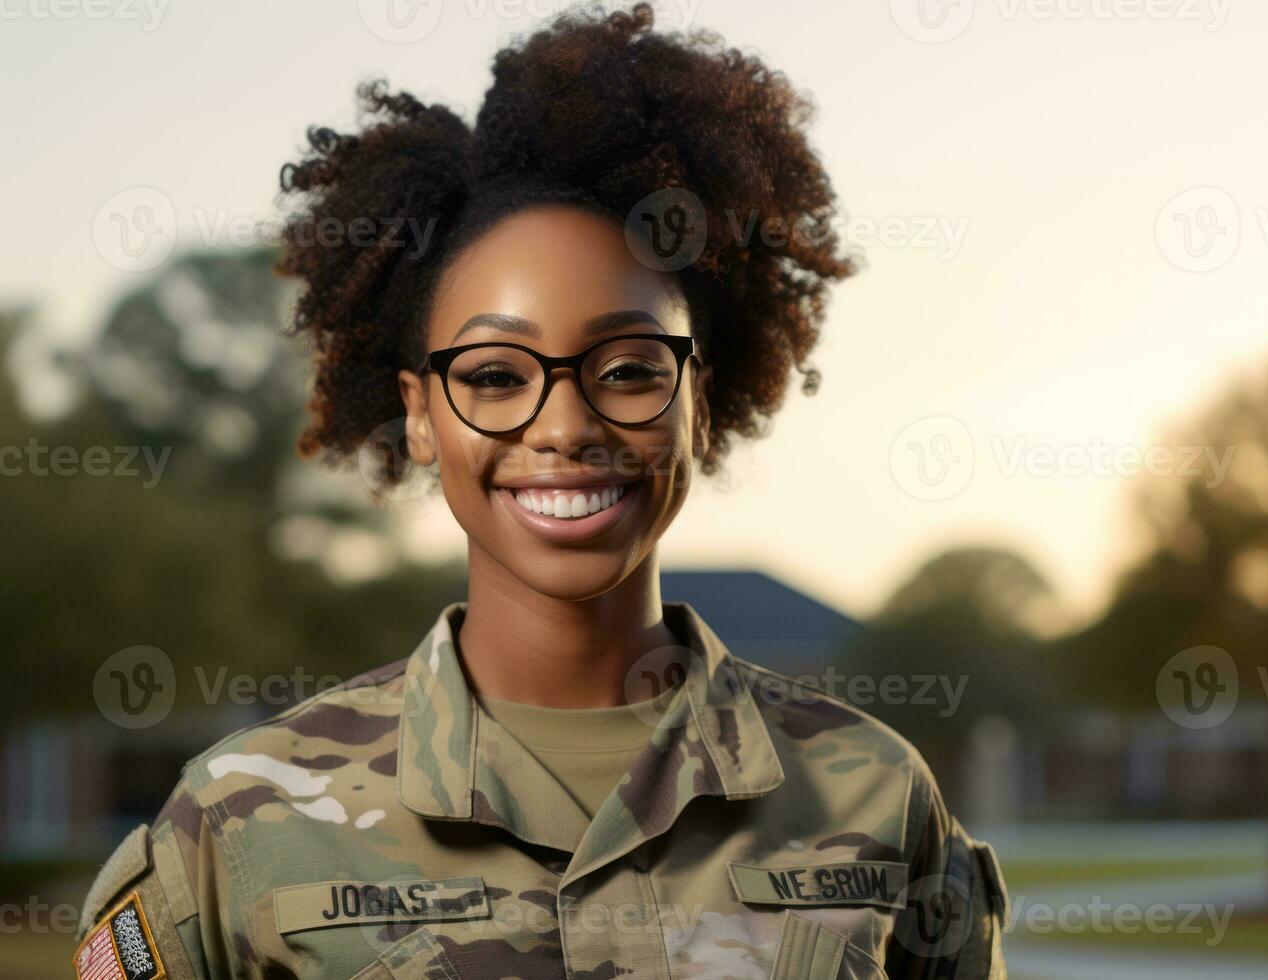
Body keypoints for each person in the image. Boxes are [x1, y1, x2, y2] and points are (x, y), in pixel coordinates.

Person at [74, 4, 1008, 978]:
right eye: (492, 375)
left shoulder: (874, 795)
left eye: (630, 367)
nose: (564, 427)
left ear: (699, 397)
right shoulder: (235, 824)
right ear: (422, 414)